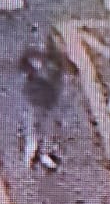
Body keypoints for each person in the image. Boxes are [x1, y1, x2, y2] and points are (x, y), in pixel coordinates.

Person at [18, 29, 73, 171]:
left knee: (43, 126)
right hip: (40, 97)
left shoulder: (53, 61)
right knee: (37, 125)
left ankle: (40, 153)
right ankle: (35, 153)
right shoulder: (46, 61)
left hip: (45, 97)